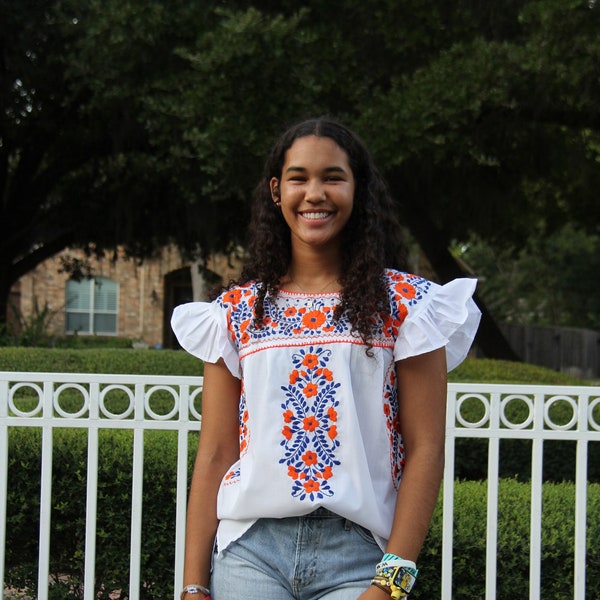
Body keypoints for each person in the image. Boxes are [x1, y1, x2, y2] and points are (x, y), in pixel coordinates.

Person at [171, 117, 481, 600]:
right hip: (250, 552)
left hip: (360, 558)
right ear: (277, 191)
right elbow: (214, 453)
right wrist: (192, 585)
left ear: (358, 189)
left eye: (332, 177)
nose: (314, 192)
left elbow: (426, 449)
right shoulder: (235, 313)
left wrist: (392, 581)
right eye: (299, 178)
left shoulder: (407, 307)